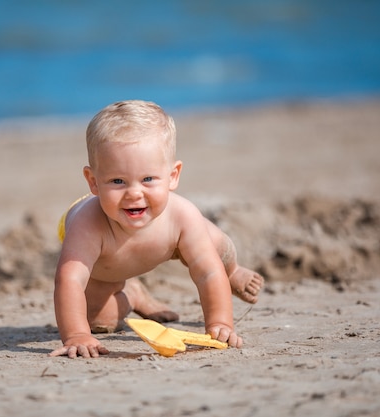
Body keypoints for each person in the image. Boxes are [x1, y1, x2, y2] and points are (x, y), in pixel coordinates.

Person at [50, 100, 264, 359]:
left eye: (148, 179)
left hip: (167, 239)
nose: (134, 193)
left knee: (213, 244)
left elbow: (207, 272)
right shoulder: (88, 225)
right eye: (117, 181)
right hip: (107, 266)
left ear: (173, 176)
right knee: (99, 320)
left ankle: (233, 270)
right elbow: (69, 280)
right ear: (93, 182)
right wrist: (76, 335)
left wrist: (220, 323)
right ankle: (132, 294)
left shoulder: (181, 215)